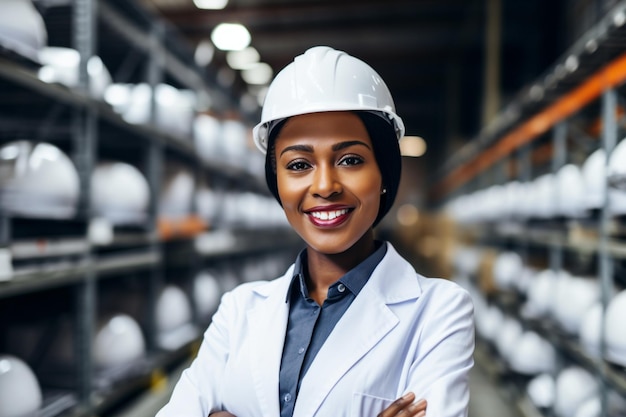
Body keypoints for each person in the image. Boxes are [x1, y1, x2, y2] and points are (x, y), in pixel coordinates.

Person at [155, 46, 474, 417]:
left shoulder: (438, 311)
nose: (324, 185)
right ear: (277, 183)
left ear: (385, 173)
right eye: (299, 164)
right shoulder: (239, 310)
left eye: (350, 160)